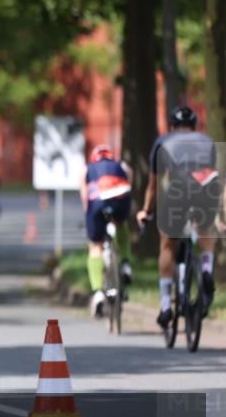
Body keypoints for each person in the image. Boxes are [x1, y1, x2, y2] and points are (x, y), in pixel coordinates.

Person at [136, 105, 220, 331]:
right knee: (205, 230)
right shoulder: (207, 141)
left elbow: (154, 184)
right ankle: (206, 269)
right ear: (194, 126)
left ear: (172, 126)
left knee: (168, 245)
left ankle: (165, 307)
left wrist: (146, 210)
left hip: (178, 189)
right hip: (205, 187)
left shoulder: (163, 142)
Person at [80, 144, 133, 318]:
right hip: (120, 197)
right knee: (122, 225)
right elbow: (129, 183)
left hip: (97, 201)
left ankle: (97, 292)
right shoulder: (122, 166)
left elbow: (85, 198)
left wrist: (89, 217)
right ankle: (125, 263)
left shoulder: (87, 169)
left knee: (95, 246)